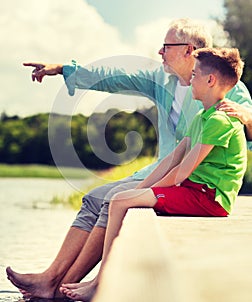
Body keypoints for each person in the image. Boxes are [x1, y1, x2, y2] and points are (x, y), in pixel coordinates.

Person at [6, 19, 252, 299]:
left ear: (188, 50)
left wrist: (247, 116)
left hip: (195, 180)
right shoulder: (164, 80)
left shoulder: (225, 87)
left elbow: (239, 131)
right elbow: (116, 77)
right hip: (162, 168)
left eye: (166, 46)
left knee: (110, 198)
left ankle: (62, 284)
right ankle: (53, 277)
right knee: (94, 198)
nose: (160, 52)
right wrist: (65, 70)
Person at [59, 47, 248, 301]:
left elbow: (182, 172)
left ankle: (99, 282)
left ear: (210, 80)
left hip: (209, 198)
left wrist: (146, 192)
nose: (190, 81)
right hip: (196, 190)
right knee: (123, 198)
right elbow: (172, 158)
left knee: (119, 200)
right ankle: (97, 279)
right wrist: (140, 189)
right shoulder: (203, 116)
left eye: (194, 76)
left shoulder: (220, 121)